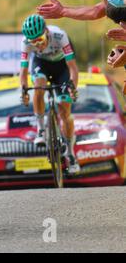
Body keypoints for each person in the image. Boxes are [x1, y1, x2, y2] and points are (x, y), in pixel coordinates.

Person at [20, 15, 80, 174]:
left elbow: (73, 68)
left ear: (46, 31)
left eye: (39, 39)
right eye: (33, 42)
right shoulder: (25, 42)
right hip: (42, 65)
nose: (38, 45)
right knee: (38, 87)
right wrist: (24, 90)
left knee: (64, 111)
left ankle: (70, 153)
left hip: (62, 67)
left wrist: (73, 87)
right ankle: (40, 128)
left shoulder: (60, 35)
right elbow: (24, 70)